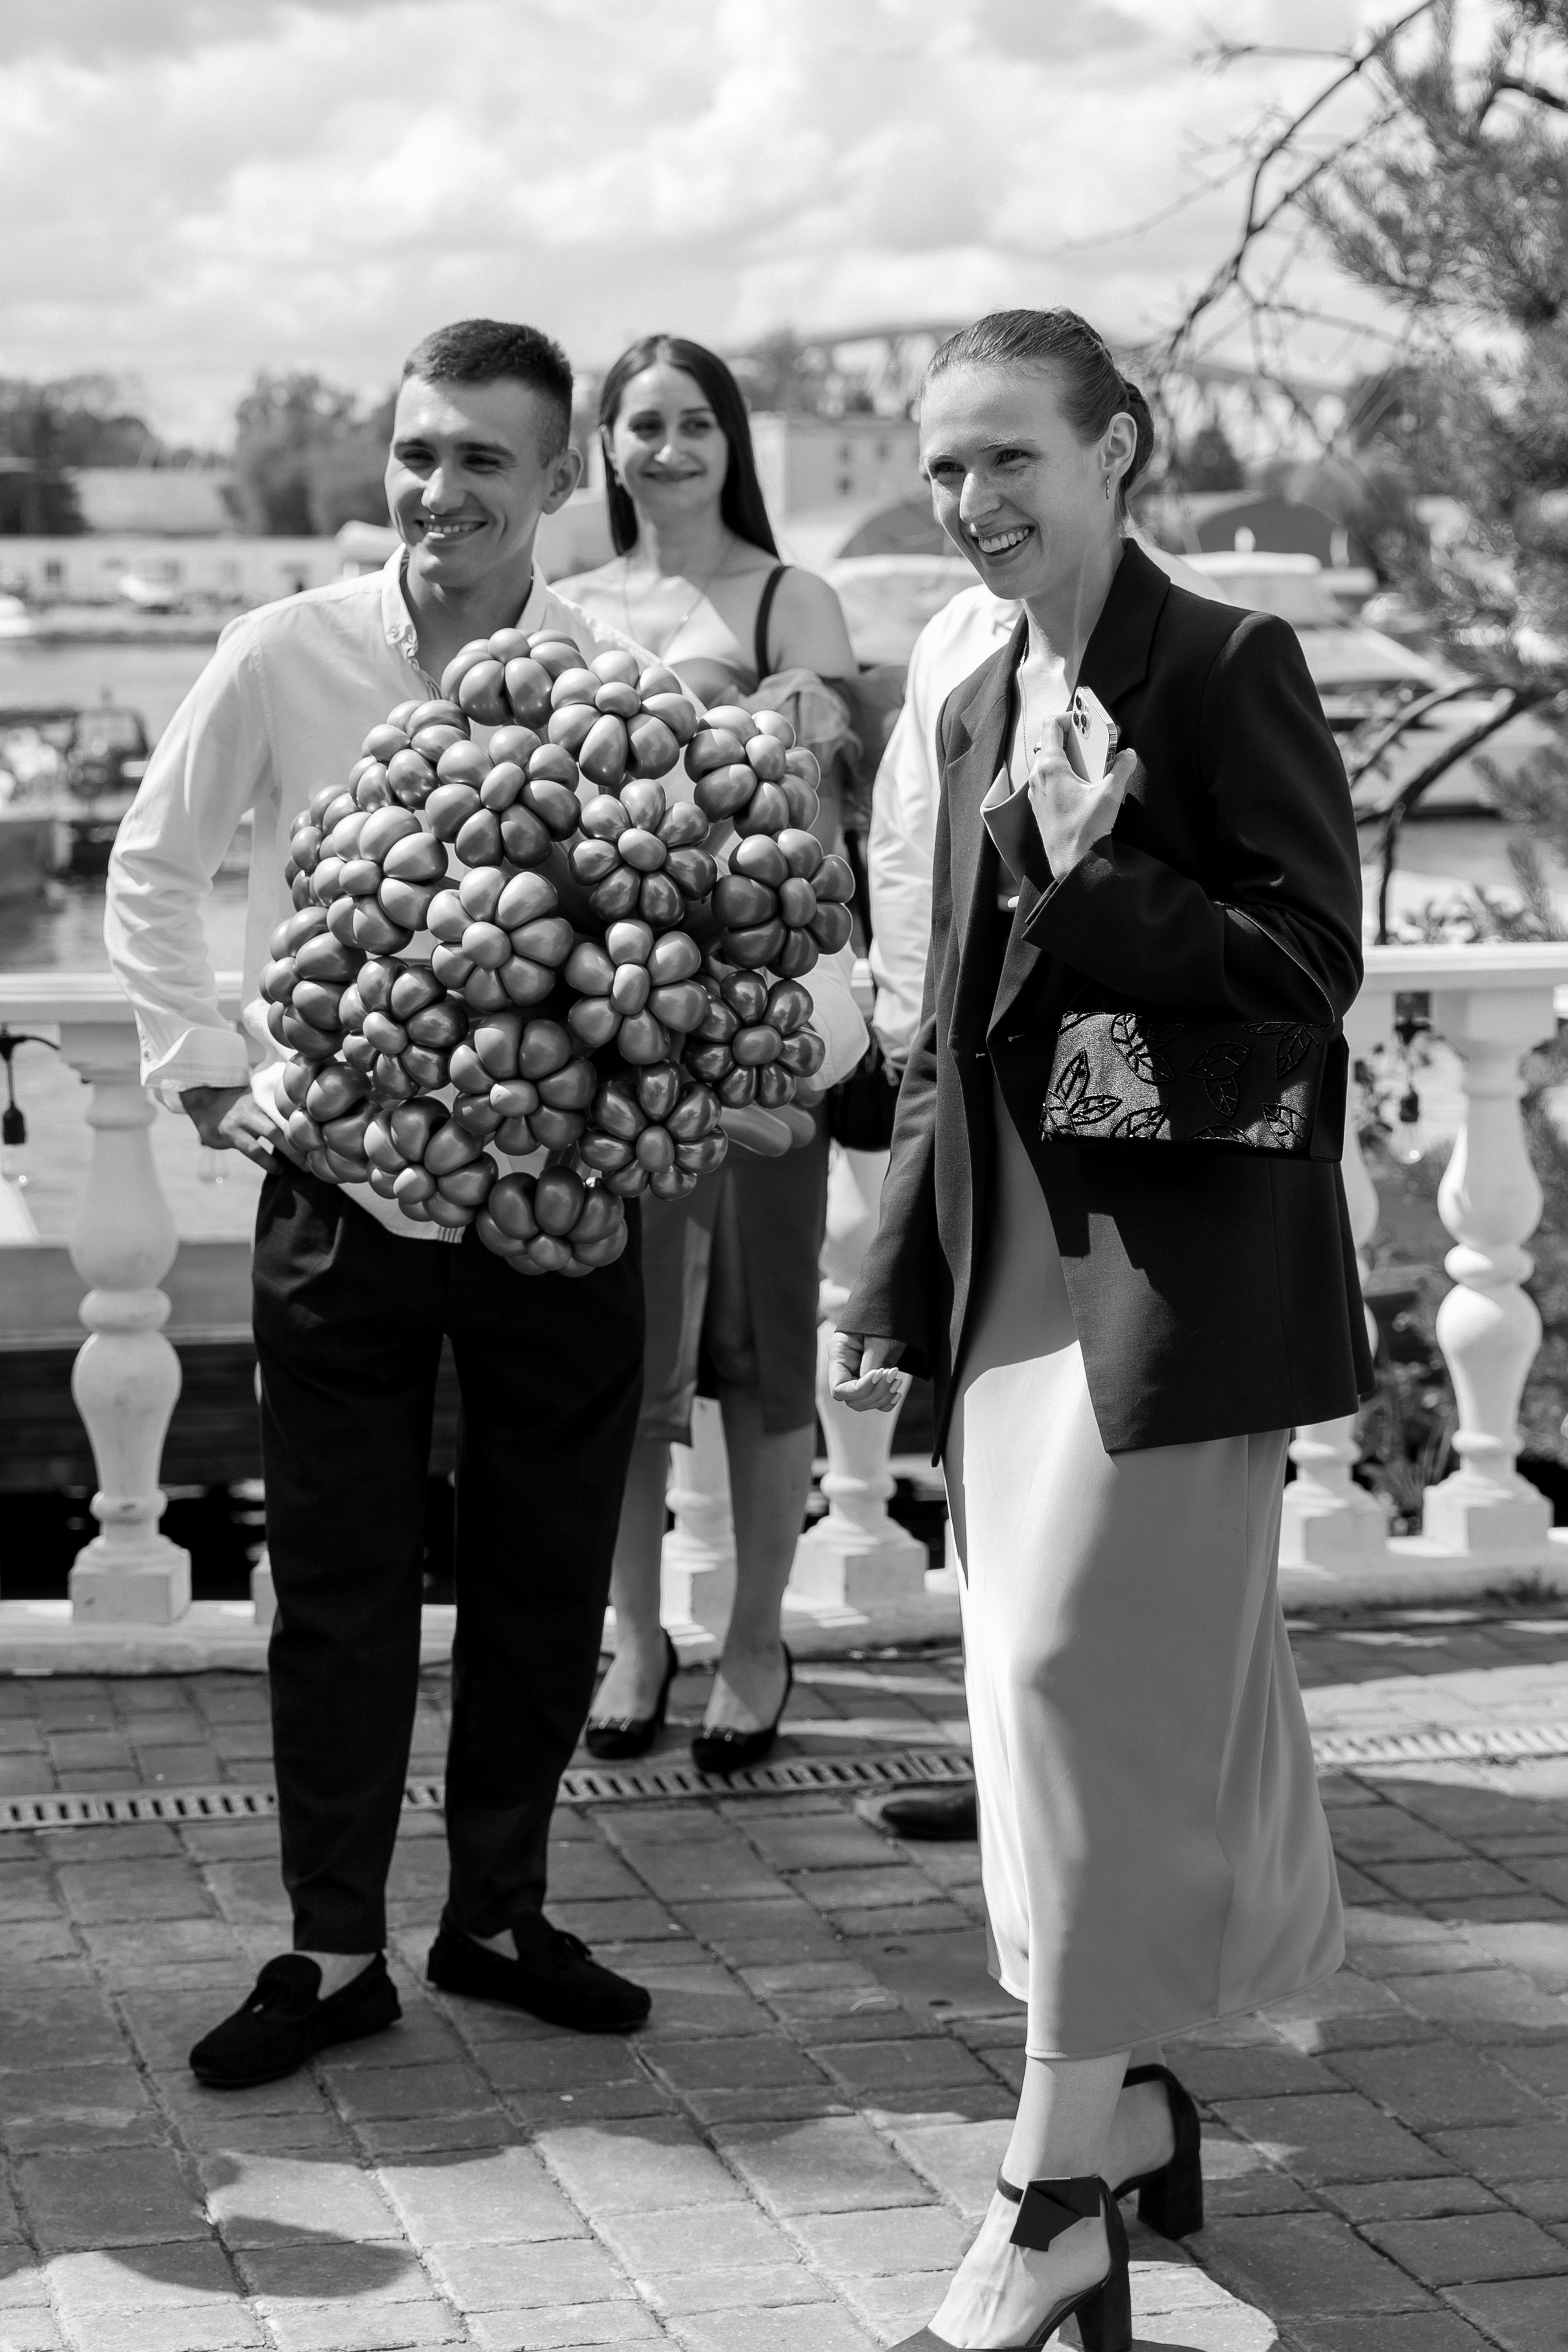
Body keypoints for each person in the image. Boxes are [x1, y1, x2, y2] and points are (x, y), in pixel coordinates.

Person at [832, 308, 1371, 2351]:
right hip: (1007, 1279)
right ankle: (1133, 2103)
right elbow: (953, 1028)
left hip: (1172, 1288)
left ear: (1118, 451)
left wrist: (1083, 879)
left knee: (1071, 1676)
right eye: (944, 466)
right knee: (1036, 1711)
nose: (970, 505)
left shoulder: (1227, 665)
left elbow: (1306, 971)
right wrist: (895, 1273)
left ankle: (1055, 2192)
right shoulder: (965, 687)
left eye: (1008, 461)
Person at [107, 319, 685, 2088]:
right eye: (419, 453)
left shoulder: (614, 678)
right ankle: (331, 1944)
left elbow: (680, 926)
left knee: (541, 1577)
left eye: (485, 461)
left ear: (561, 478)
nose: (440, 492)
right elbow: (154, 866)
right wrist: (214, 1072)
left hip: (556, 1207)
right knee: (339, 1588)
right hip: (340, 1199)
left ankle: (498, 1916)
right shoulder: (282, 652)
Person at [557, 336, 863, 1770]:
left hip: (744, 1026)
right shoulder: (564, 601)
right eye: (641, 425)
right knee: (620, 1356)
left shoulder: (786, 596)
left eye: (693, 423)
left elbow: (806, 790)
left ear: (730, 440)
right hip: (604, 1030)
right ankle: (633, 1638)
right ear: (604, 446)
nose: (668, 448)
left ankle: (753, 1637)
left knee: (758, 1348)